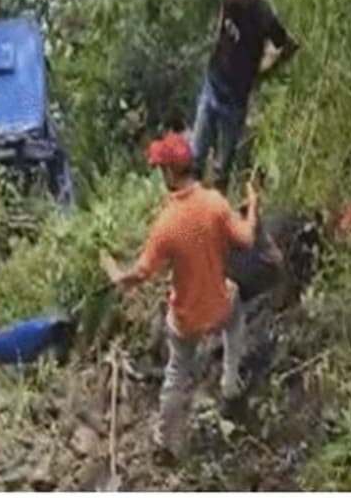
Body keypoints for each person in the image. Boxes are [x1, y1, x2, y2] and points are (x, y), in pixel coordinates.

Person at [99, 132, 258, 461]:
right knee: (235, 310)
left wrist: (113, 271)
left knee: (175, 374)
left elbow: (139, 275)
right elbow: (246, 238)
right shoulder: (215, 203)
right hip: (219, 307)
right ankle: (230, 382)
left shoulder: (166, 224)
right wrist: (252, 206)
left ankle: (164, 440)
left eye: (161, 169)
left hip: (186, 321)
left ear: (170, 172)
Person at [192, 0, 299, 192]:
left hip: (234, 101)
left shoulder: (262, 15)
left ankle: (216, 211)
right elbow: (222, 20)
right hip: (212, 85)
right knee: (194, 158)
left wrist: (265, 71)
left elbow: (288, 45)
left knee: (221, 169)